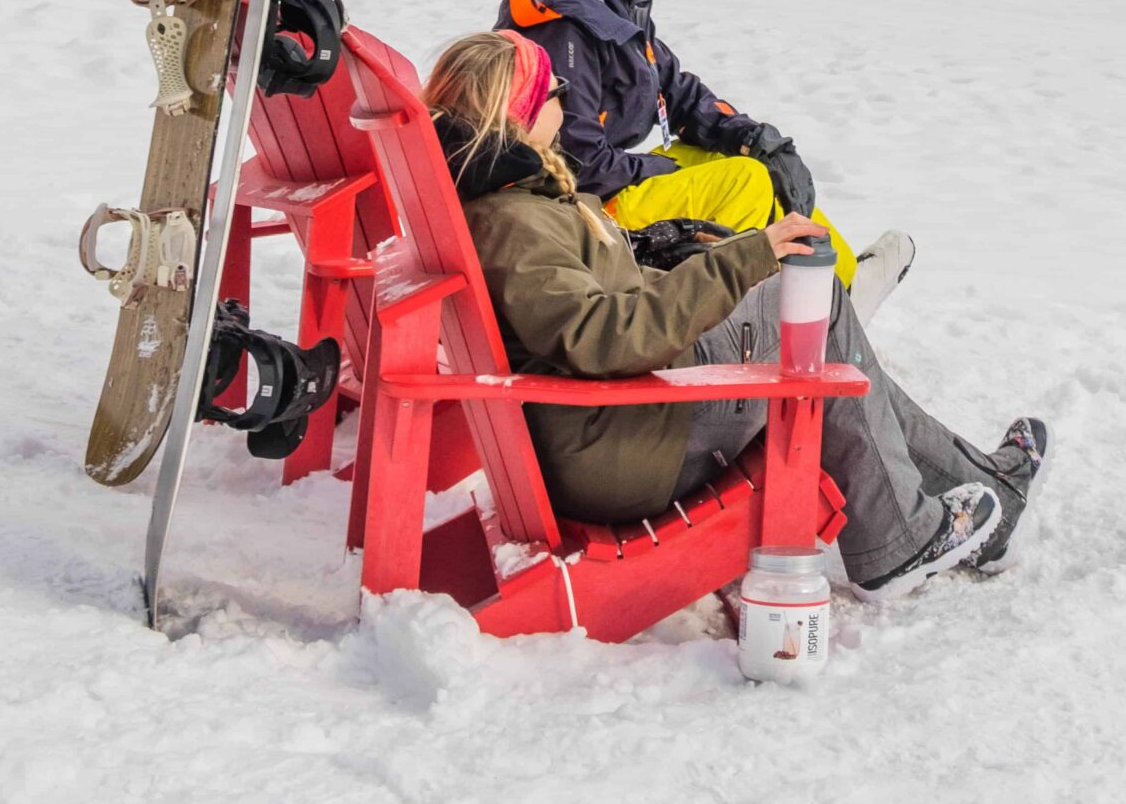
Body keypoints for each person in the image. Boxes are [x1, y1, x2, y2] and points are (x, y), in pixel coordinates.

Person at [424, 30, 1048, 600]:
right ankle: (902, 538)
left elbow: (594, 307)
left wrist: (695, 260)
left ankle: (983, 490)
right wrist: (741, 259)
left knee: (801, 311)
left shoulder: (509, 200)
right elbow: (604, 337)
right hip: (633, 441)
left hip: (619, 424)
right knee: (815, 303)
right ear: (518, 113)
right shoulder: (513, 223)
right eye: (554, 91)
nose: (566, 100)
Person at [498, 0, 911, 308]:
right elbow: (576, 164)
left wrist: (753, 138)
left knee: (747, 161)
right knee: (743, 181)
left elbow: (676, 88)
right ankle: (794, 311)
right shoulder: (565, 22)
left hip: (601, 190)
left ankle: (841, 287)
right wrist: (664, 167)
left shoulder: (610, 1)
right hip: (575, 211)